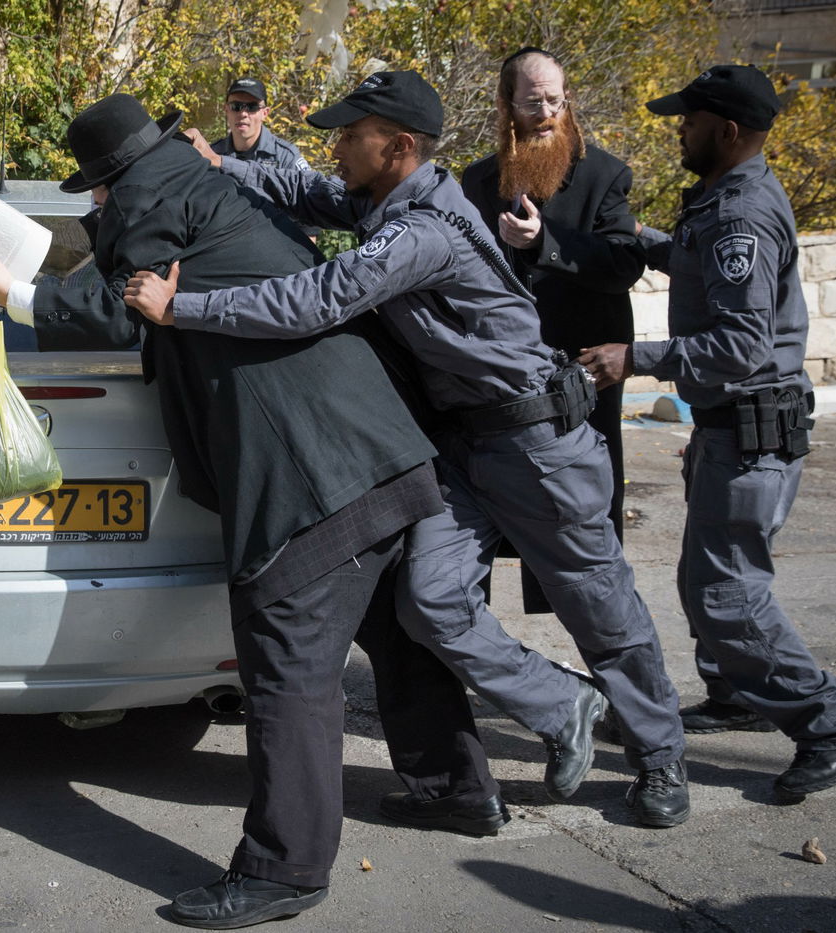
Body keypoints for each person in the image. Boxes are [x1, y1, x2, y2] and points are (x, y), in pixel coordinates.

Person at [0, 93, 501, 930]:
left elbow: (118, 307)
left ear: (112, 178)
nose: (96, 206)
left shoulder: (147, 198)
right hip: (381, 447)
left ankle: (284, 869)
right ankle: (458, 789)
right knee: (397, 639)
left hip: (308, 470)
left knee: (286, 664)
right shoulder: (204, 183)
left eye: (94, 192)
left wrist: (11, 292)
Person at [124, 71, 690, 830]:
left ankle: (661, 760)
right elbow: (311, 192)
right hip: (464, 447)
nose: (337, 147)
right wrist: (221, 165)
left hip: (536, 444)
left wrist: (179, 308)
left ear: (398, 146)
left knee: (600, 607)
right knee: (429, 600)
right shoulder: (388, 199)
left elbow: (316, 297)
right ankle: (565, 703)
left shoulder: (423, 231)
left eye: (350, 135)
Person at [578, 65, 836, 803]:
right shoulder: (723, 200)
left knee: (725, 594)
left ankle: (832, 723)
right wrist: (637, 240)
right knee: (708, 581)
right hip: (731, 428)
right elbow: (695, 256)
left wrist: (635, 360)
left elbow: (741, 345)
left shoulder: (744, 213)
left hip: (752, 432)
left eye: (688, 119)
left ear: (729, 130)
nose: (678, 128)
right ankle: (736, 690)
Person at [461, 48, 646, 614]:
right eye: (532, 101)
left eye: (555, 101)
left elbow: (623, 263)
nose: (546, 113)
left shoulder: (604, 174)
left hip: (579, 378)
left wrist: (546, 244)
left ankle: (599, 643)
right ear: (507, 105)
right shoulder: (478, 180)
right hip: (501, 378)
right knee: (487, 514)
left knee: (578, 526)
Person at [209, 77, 319, 240]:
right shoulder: (213, 154)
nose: (243, 114)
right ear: (226, 109)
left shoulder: (285, 157)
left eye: (252, 107)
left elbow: (309, 222)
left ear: (265, 113)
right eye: (236, 106)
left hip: (273, 250)